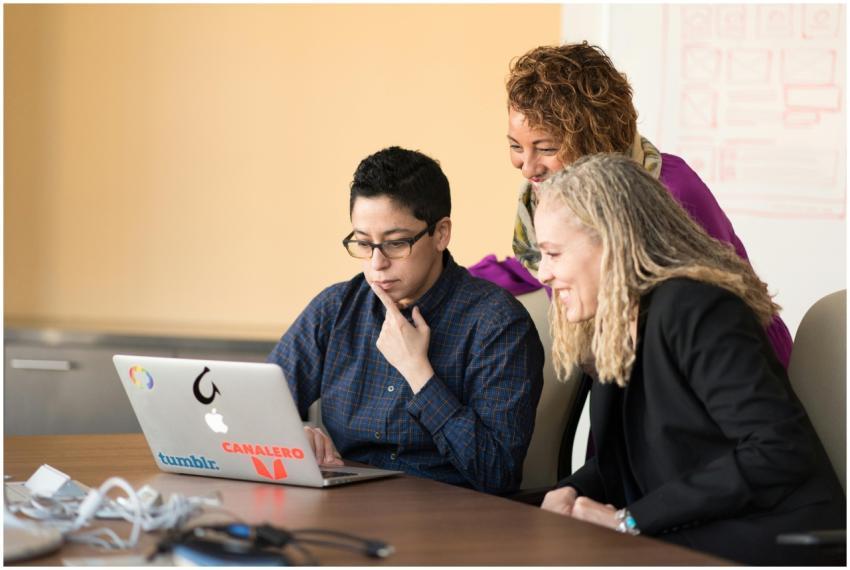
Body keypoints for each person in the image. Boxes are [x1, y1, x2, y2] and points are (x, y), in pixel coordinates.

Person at [533, 153, 845, 565]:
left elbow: (776, 450)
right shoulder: (614, 321)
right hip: (695, 528)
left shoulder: (698, 308)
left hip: (772, 535)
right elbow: (627, 459)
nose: (542, 273)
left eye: (553, 254)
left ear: (611, 242)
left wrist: (630, 521)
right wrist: (571, 492)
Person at [496, 41, 793, 368]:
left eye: (547, 149)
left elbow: (719, 304)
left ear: (593, 140)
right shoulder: (549, 197)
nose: (527, 167)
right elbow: (548, 262)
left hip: (733, 368)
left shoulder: (670, 189)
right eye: (516, 146)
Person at [267, 146, 544, 494]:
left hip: (451, 519)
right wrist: (292, 436)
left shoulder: (497, 325)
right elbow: (258, 407)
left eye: (396, 244)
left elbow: (497, 472)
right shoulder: (336, 309)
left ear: (441, 234)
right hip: (347, 507)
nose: (377, 264)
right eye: (364, 244)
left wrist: (419, 373)